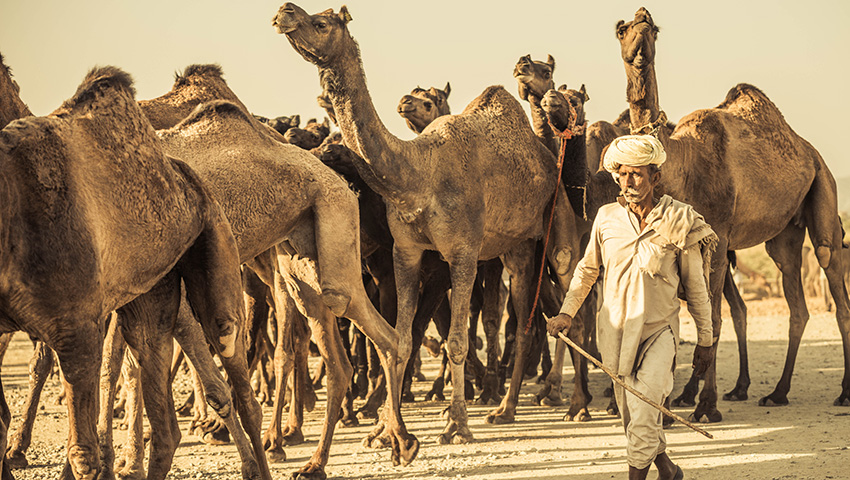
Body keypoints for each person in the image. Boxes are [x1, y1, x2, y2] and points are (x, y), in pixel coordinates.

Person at [547, 135, 716, 480]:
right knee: (634, 414)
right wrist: (567, 312)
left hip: (660, 333)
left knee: (641, 413)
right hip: (616, 333)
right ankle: (667, 468)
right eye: (622, 175)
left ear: (655, 178)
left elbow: (697, 286)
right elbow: (587, 269)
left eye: (637, 175)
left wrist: (706, 340)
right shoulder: (606, 219)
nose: (629, 182)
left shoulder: (679, 220)